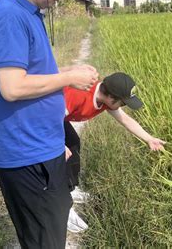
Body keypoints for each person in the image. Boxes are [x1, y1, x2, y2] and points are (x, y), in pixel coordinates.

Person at [0, 0, 98, 249]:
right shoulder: (9, 17)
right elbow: (12, 87)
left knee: (53, 231)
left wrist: (55, 142)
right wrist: (68, 77)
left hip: (41, 149)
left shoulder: (28, 14)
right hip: (27, 157)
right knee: (43, 241)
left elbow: (33, 75)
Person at [63, 72, 166, 232]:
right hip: (43, 117)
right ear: (111, 98)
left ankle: (71, 189)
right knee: (58, 159)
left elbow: (125, 120)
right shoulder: (77, 96)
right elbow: (44, 117)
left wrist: (149, 139)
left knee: (74, 145)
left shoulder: (105, 100)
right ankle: (63, 209)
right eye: (123, 103)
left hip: (59, 119)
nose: (123, 107)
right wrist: (56, 144)